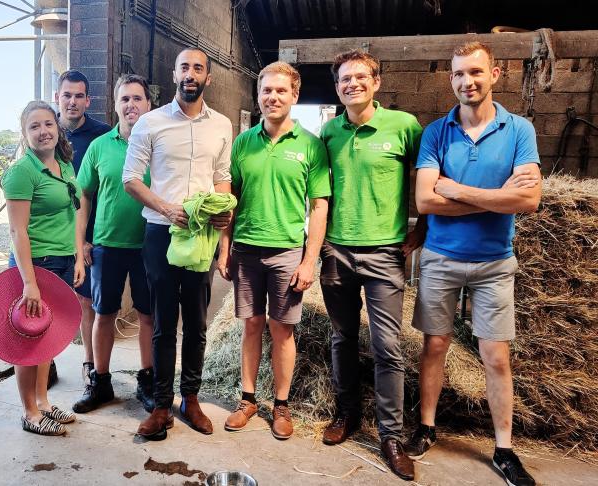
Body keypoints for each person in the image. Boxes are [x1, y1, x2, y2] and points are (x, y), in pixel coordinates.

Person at [406, 42, 541, 486]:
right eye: (460, 74)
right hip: (442, 258)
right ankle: (426, 426)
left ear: (495, 74)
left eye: (477, 73)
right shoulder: (437, 132)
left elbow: (530, 199)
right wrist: (498, 199)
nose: (469, 82)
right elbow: (426, 199)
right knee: (435, 346)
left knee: (495, 356)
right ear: (451, 80)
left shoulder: (519, 129)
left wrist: (458, 190)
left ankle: (504, 448)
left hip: (494, 262)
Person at [318, 50, 424, 480]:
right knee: (341, 337)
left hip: (384, 253)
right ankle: (348, 416)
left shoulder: (404, 127)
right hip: (337, 250)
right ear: (338, 86)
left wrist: (424, 227)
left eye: (360, 77)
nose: (352, 84)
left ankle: (391, 436)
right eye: (345, 79)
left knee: (387, 346)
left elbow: (428, 174)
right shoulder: (328, 132)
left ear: (376, 82)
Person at [123, 47, 233, 441]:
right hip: (161, 233)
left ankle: (191, 398)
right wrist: (167, 208)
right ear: (174, 73)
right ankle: (161, 405)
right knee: (162, 322)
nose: (191, 73)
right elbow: (131, 179)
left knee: (198, 324)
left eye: (198, 68)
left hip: (201, 235)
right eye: (184, 66)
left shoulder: (221, 125)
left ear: (208, 77)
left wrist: (224, 214)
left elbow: (222, 179)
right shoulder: (150, 123)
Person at [217, 61, 330, 440]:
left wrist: (309, 259)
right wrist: (224, 249)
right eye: (266, 90)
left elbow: (318, 205)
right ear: (258, 95)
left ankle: (281, 406)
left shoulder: (311, 146)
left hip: (286, 251)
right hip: (247, 250)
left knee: (282, 329)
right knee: (251, 324)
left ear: (294, 95)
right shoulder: (243, 142)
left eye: (281, 91)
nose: (273, 97)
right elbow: (229, 201)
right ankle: (247, 399)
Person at [72, 74, 156, 413]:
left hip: (149, 243)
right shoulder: (100, 146)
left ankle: (147, 381)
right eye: (125, 99)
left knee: (147, 315)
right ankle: (100, 383)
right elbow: (83, 196)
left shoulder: (158, 143)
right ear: (116, 105)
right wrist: (82, 243)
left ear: (149, 105)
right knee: (103, 314)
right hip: (107, 244)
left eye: (137, 98)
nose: (131, 105)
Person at [3, 100, 85, 436]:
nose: (43, 131)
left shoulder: (65, 165)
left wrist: (79, 255)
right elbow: (16, 231)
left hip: (63, 262)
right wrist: (29, 283)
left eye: (48, 124)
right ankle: (29, 412)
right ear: (25, 134)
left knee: (48, 340)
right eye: (34, 126)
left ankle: (44, 402)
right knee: (28, 341)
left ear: (57, 127)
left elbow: (73, 212)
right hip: (35, 266)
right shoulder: (21, 172)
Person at [55, 70, 112, 398]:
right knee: (47, 299)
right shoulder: (48, 132)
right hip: (50, 233)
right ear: (58, 98)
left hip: (86, 238)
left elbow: (97, 194)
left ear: (88, 100)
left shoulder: (101, 136)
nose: (72, 101)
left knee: (84, 300)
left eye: (79, 96)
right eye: (67, 95)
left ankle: (89, 364)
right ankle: (43, 362)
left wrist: (85, 240)